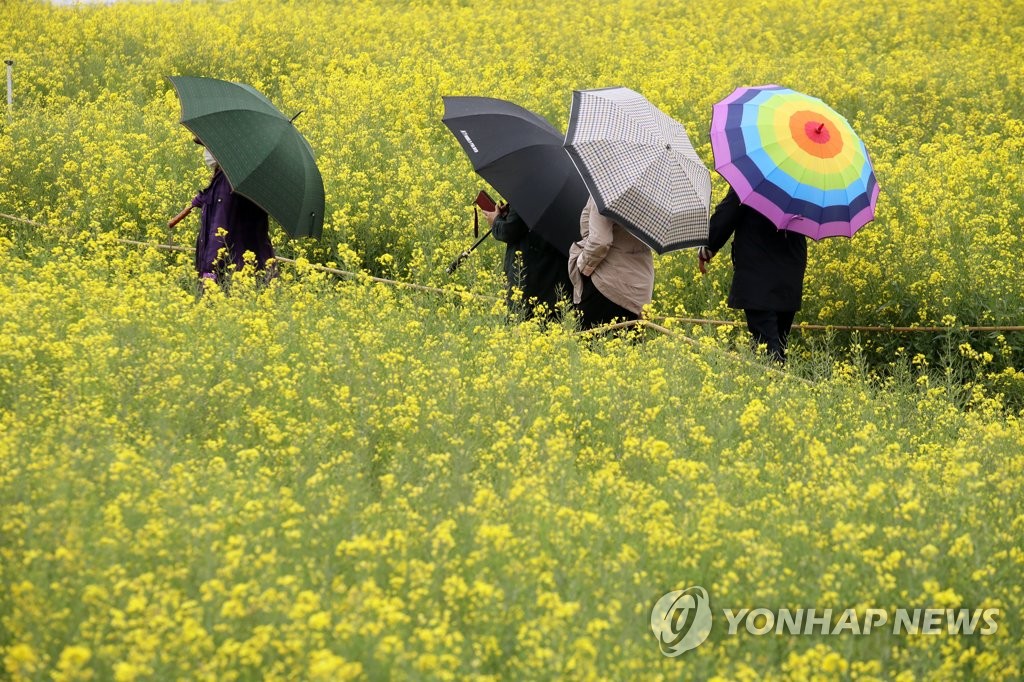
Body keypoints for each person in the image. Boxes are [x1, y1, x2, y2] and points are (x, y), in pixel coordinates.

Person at [698, 187, 807, 363]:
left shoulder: (754, 177)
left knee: (768, 350)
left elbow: (727, 213)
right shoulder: (805, 183)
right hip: (791, 271)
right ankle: (778, 384)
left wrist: (707, 249)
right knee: (778, 341)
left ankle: (775, 385)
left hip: (759, 274)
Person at [168, 138, 275, 285]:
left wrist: (208, 277)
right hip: (254, 270)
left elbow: (218, 235)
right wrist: (202, 198)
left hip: (232, 276)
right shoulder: (245, 177)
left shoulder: (226, 184)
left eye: (209, 148)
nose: (206, 153)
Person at [567, 195, 654, 329]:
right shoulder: (650, 197)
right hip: (640, 289)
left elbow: (599, 242)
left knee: (586, 345)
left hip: (608, 285)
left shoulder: (605, 192)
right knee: (627, 347)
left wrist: (582, 266)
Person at [480, 203, 572, 320]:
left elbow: (509, 231)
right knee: (549, 322)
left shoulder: (529, 193)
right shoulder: (564, 197)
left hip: (530, 274)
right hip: (555, 275)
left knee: (522, 322)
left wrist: (496, 221)